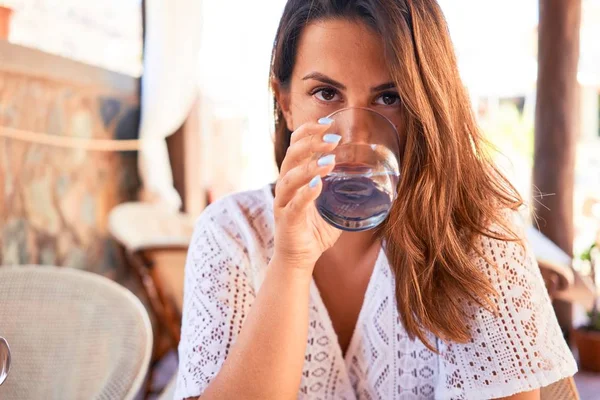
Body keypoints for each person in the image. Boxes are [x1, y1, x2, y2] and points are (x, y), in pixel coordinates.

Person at [174, 0, 577, 399]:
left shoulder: (478, 232)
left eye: (389, 98)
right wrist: (292, 263)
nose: (356, 135)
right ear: (286, 104)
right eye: (326, 92)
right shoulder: (231, 233)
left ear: (427, 106)